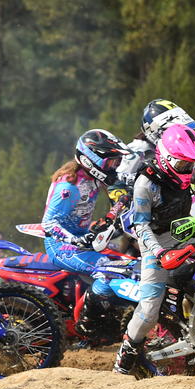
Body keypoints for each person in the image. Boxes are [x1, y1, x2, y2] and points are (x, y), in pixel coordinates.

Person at [113, 124, 195, 375]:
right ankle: (126, 356)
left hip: (188, 232)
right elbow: (141, 227)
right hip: (156, 244)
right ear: (166, 158)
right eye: (183, 164)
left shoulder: (190, 170)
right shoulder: (145, 183)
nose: (188, 170)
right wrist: (158, 253)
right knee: (148, 310)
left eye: (191, 164)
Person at [42, 129, 132, 344]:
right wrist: (75, 240)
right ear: (93, 158)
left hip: (83, 238)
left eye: (117, 161)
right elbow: (48, 224)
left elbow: (126, 183)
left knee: (126, 265)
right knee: (108, 270)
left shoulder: (92, 178)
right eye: (112, 162)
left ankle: (108, 318)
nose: (116, 166)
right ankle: (87, 323)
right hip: (61, 245)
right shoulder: (68, 187)